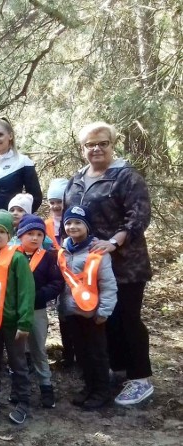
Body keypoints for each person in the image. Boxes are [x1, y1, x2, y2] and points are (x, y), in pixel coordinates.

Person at [63, 122, 153, 406]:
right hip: (86, 267)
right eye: (90, 144)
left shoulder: (126, 177)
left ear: (113, 144)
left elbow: (138, 217)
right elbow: (69, 217)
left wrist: (114, 243)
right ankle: (116, 371)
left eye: (102, 143)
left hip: (125, 264)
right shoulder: (77, 179)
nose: (96, 149)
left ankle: (140, 379)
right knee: (104, 321)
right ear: (83, 148)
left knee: (127, 319)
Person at [0, 210, 35, 424]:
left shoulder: (17, 258)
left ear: (9, 235)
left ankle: (23, 402)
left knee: (18, 363)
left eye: (1, 231)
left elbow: (26, 292)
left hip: (13, 323)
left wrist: (24, 321)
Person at [58, 206, 117, 409]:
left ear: (87, 226)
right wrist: (62, 308)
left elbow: (108, 284)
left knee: (97, 353)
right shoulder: (63, 251)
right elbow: (63, 285)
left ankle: (102, 391)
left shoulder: (97, 251)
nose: (72, 226)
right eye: (68, 223)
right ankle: (88, 386)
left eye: (77, 222)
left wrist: (104, 311)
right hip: (72, 311)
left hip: (92, 314)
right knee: (81, 353)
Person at [16, 214, 63, 408]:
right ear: (20, 235)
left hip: (37, 310)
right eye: (30, 234)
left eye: (39, 234)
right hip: (16, 311)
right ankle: (19, 388)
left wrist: (37, 295)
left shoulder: (48, 257)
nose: (34, 238)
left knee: (38, 350)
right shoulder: (12, 255)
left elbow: (57, 282)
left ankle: (46, 387)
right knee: (17, 350)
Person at [0, 118, 43, 211]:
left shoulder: (23, 162)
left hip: (12, 222)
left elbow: (36, 198)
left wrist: (20, 218)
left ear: (10, 136)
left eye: (0, 134)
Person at [44, 178, 68, 249]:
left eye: (59, 202)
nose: (55, 206)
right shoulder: (46, 225)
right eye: (52, 203)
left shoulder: (73, 222)